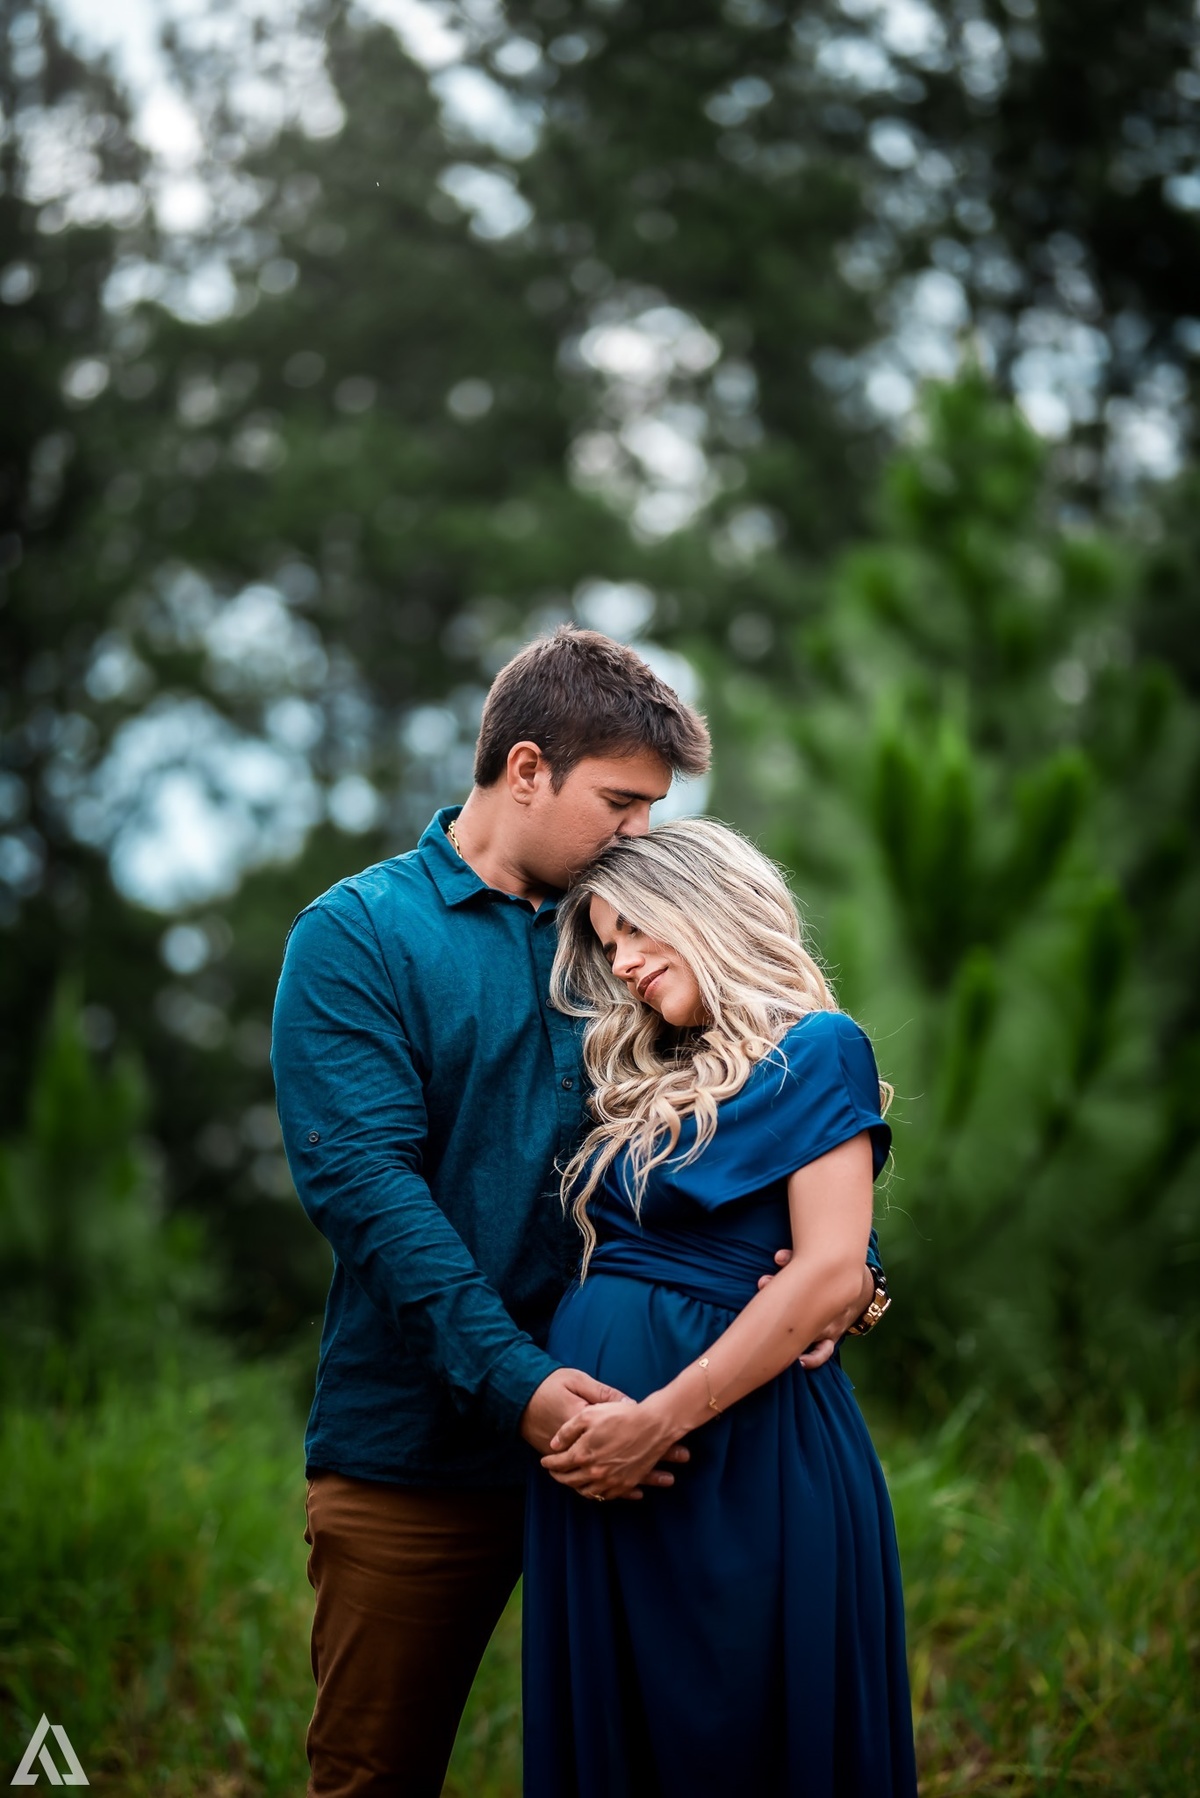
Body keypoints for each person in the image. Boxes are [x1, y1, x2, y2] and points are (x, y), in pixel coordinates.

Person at [273, 627, 889, 1797]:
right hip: (424, 1455)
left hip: (666, 1451)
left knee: (655, 1758)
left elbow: (764, 1112)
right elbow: (366, 1192)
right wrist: (529, 1391)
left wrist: (848, 1269)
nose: (638, 834)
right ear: (522, 768)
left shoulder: (624, 933)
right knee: (374, 1775)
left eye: (654, 810)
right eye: (619, 799)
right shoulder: (358, 936)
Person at [523, 819, 918, 1798]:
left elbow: (829, 1271)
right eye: (610, 944)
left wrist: (657, 1418)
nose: (624, 963)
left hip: (745, 1456)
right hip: (604, 1473)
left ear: (710, 908)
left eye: (638, 930)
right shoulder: (642, 1078)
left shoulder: (818, 1048)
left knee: (751, 1744)